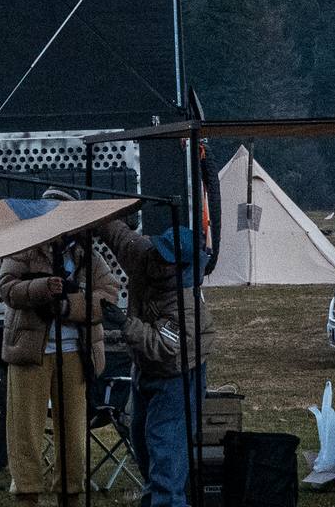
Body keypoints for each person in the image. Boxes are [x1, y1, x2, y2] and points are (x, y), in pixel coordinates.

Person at [0, 188, 121, 507]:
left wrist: (69, 306)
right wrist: (41, 288)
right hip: (30, 351)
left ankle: (71, 493)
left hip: (74, 353)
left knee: (74, 433)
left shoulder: (86, 253)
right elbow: (6, 288)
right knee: (25, 430)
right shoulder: (24, 246)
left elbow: (110, 294)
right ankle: (27, 494)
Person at [96, 216, 215, 507]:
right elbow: (116, 234)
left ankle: (169, 501)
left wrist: (125, 325)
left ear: (183, 266)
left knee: (166, 446)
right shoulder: (144, 253)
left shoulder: (184, 303)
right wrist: (102, 213)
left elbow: (163, 346)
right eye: (160, 252)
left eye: (168, 260)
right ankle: (156, 500)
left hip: (177, 375)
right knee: (141, 438)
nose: (159, 261)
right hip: (145, 369)